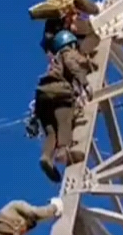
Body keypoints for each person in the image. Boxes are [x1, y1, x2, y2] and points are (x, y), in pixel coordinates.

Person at [34, 30, 92, 182]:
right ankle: (63, 151)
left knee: (52, 132)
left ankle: (46, 156)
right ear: (70, 43)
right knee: (64, 122)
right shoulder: (67, 52)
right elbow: (73, 64)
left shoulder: (53, 62)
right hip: (59, 92)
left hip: (42, 97)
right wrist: (85, 81)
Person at [36, 0, 101, 61]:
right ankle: (80, 57)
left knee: (61, 54)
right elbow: (83, 1)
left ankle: (59, 67)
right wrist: (95, 9)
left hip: (55, 33)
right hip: (72, 24)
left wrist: (48, 47)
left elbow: (47, 34)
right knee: (92, 37)